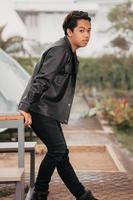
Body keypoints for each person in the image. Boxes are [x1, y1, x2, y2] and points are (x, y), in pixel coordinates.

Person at [18, 10, 98, 200]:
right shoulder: (60, 50)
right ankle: (39, 192)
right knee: (58, 150)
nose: (86, 35)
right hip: (40, 109)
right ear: (69, 32)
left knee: (61, 155)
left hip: (47, 111)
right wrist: (24, 106)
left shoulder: (69, 52)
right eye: (81, 30)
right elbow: (42, 80)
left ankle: (82, 196)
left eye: (88, 30)